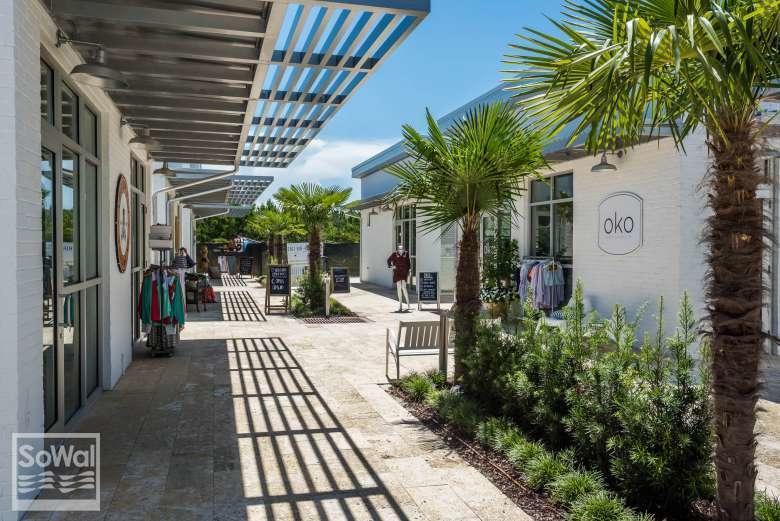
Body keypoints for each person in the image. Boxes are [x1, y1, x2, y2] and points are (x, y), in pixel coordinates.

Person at [387, 244, 411, 312]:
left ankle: (408, 304)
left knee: (404, 288)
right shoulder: (394, 254)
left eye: (402, 249)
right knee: (398, 288)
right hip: (397, 273)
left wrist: (409, 270)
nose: (401, 250)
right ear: (397, 249)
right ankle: (400, 304)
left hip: (404, 272)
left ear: (403, 249)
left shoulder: (406, 254)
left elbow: (408, 263)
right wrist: (391, 266)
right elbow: (388, 260)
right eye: (399, 249)